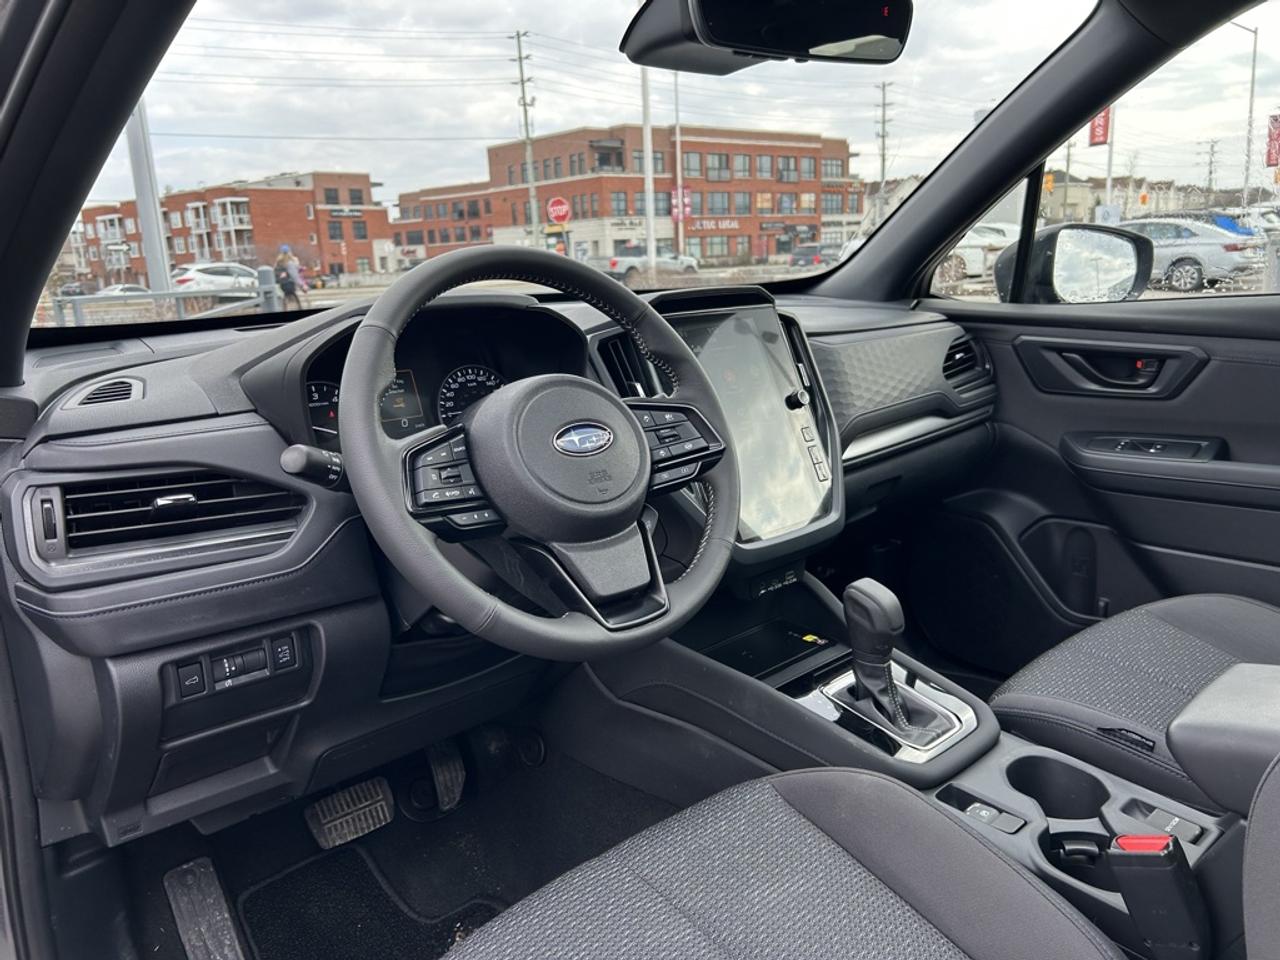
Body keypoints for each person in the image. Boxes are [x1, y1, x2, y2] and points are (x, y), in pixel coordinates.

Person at [274, 246, 301, 310]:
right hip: (290, 283)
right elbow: (294, 275)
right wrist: (300, 284)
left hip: (282, 284)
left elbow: (275, 273)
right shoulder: (290, 262)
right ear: (289, 252)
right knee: (294, 297)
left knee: (285, 297)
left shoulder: (278, 262)